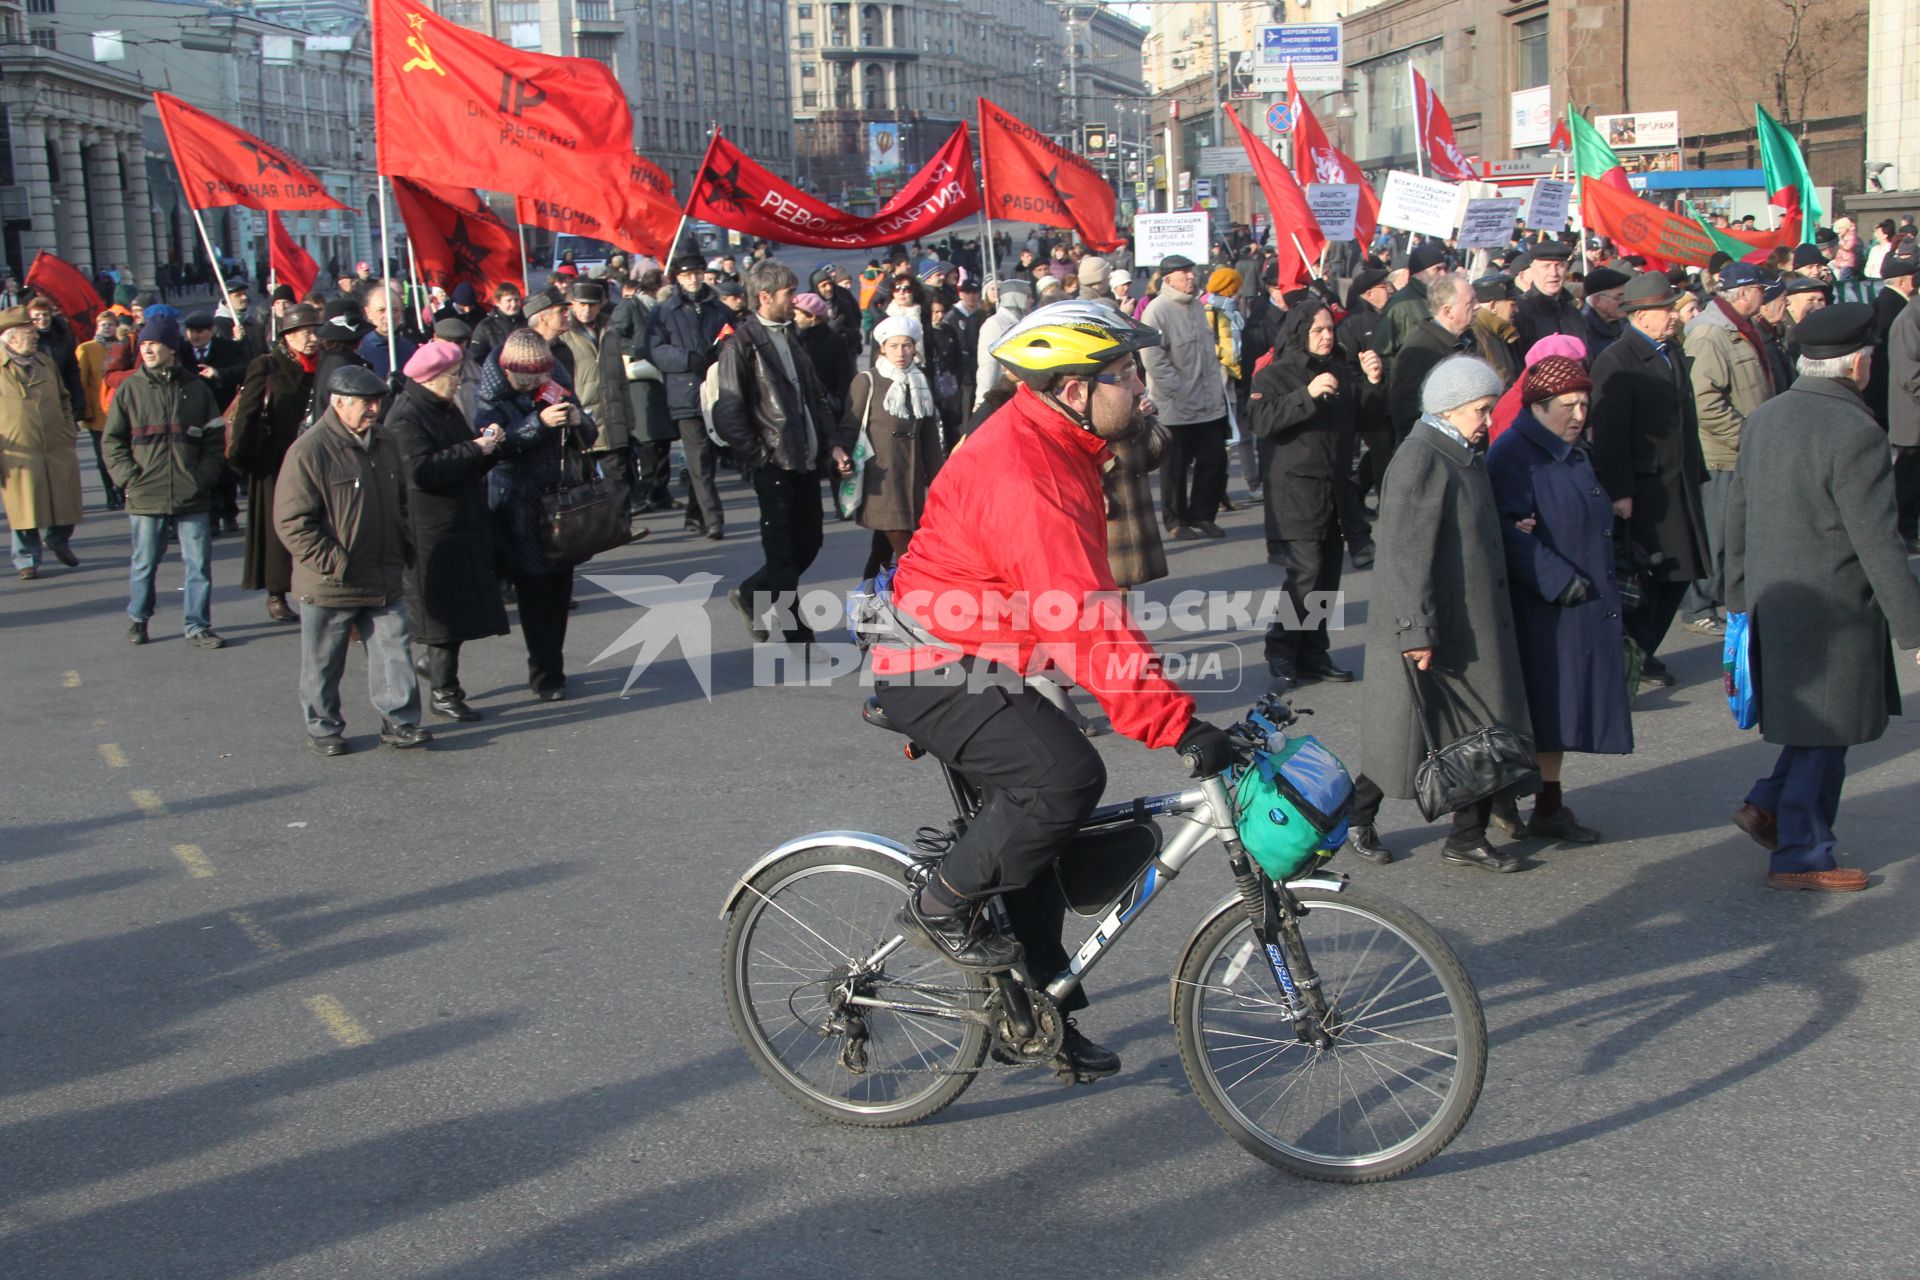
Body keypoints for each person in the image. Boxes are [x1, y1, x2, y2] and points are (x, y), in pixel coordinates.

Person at [869, 303, 1231, 1082]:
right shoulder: (1027, 471)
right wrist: (1175, 725)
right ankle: (938, 908)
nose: (1142, 390)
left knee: (1041, 837)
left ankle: (1034, 1017)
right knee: (1064, 777)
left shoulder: (1060, 440)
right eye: (1126, 377)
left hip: (987, 647)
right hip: (932, 664)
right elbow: (1081, 616)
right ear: (1072, 387)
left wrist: (1159, 703)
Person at [1724, 303, 1920, 891]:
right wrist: (1914, 627)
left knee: (1817, 726)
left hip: (1774, 597)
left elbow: (1739, 512)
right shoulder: (1856, 430)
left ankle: (1768, 803)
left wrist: (1737, 594)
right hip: (1834, 608)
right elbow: (1878, 543)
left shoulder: (1766, 416)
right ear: (1859, 363)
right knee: (1829, 730)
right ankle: (1802, 855)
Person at [1343, 356, 1535, 873]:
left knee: (1475, 732)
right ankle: (1353, 818)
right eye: (1480, 410)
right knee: (1406, 735)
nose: (1488, 421)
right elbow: (1405, 554)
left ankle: (1466, 836)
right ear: (1449, 408)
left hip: (1463, 619)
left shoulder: (1457, 450)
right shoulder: (1420, 459)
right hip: (1432, 624)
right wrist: (1417, 632)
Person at [1487, 357, 1633, 844]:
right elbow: (1505, 533)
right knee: (1540, 710)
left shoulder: (1572, 449)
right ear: (1537, 406)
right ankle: (1503, 803)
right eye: (1566, 406)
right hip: (1545, 607)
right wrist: (1557, 580)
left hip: (1581, 601)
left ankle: (1548, 805)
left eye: (1583, 405)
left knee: (1561, 711)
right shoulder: (1513, 453)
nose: (1577, 415)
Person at [274, 364, 430, 755]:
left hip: (384, 573)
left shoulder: (386, 442)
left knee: (394, 652)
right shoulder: (309, 450)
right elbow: (292, 522)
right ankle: (324, 727)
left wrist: (403, 542)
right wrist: (335, 563)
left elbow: (400, 501)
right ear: (338, 403)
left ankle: (400, 721)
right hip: (331, 582)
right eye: (365, 403)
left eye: (377, 402)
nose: (374, 410)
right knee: (324, 663)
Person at [1250, 302, 1383, 690]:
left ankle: (1313, 651)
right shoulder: (1274, 375)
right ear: (1300, 333)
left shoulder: (1341, 371)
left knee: (1326, 577)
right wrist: (1305, 395)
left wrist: (1374, 383)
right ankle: (1281, 648)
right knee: (1305, 573)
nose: (1327, 336)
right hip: (1295, 491)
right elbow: (1261, 421)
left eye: (1330, 329)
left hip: (1335, 492)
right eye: (1318, 330)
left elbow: (1368, 421)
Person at [1589, 271, 1711, 688]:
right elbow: (1609, 434)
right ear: (1640, 317)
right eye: (1665, 309)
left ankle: (1642, 652)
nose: (1674, 315)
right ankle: (1632, 655)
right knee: (1650, 576)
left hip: (1678, 484)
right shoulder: (1617, 360)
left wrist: (1697, 471)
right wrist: (1620, 490)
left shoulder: (1669, 351)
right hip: (1645, 491)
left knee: (1680, 572)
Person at [711, 260, 836, 642]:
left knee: (810, 541)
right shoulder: (742, 343)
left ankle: (751, 593)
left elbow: (814, 396)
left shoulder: (789, 336)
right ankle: (799, 637)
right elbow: (728, 411)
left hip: (805, 458)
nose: (794, 300)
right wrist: (759, 456)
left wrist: (833, 442)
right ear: (765, 297)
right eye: (788, 294)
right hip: (775, 462)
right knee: (782, 553)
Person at [385, 340, 509, 721]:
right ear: (432, 378)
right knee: (441, 618)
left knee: (455, 613)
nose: (458, 382)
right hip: (430, 530)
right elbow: (420, 472)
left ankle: (439, 674)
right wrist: (475, 450)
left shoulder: (440, 407)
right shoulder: (407, 416)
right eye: (453, 376)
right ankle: (444, 692)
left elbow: (459, 457)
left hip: (458, 522)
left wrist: (489, 448)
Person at [102, 313, 227, 648]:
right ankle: (138, 618)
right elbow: (112, 441)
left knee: (198, 566)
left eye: (155, 343)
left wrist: (204, 477)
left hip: (192, 491)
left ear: (172, 347)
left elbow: (216, 440)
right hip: (146, 493)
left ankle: (197, 625)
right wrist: (129, 477)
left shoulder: (196, 389)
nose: (148, 349)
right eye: (144, 344)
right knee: (144, 563)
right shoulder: (130, 389)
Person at [479, 329, 584, 701]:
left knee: (560, 590)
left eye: (544, 374)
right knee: (536, 594)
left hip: (560, 504)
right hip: (517, 507)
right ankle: (546, 673)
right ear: (512, 372)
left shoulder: (556, 383)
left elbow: (589, 431)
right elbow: (496, 448)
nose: (540, 382)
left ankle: (552, 661)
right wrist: (539, 424)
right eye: (532, 377)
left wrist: (576, 420)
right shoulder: (490, 398)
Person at [1679, 262, 1776, 636]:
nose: (1765, 296)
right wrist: (1745, 437)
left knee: (1736, 534)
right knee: (1716, 535)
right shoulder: (1711, 333)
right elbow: (1705, 402)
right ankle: (1699, 606)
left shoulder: (1740, 328)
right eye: (1760, 289)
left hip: (1742, 449)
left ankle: (1727, 597)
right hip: (1722, 454)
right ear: (1745, 291)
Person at [828, 313, 945, 586]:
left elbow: (929, 440)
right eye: (893, 346)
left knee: (881, 551)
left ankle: (869, 601)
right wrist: (838, 452)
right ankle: (917, 604)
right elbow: (850, 426)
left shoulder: (920, 382)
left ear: (915, 347)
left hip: (910, 480)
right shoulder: (867, 381)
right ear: (882, 347)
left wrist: (940, 481)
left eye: (906, 345)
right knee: (908, 552)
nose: (901, 352)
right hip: (879, 480)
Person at [227, 303, 323, 623]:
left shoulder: (322, 366)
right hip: (274, 459)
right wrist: (243, 459)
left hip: (314, 456)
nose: (311, 337)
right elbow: (248, 415)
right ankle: (276, 592)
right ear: (287, 336)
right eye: (304, 332)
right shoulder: (266, 366)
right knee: (275, 527)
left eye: (314, 330)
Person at [1141, 254, 1230, 540]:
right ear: (1168, 280)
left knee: (1214, 459)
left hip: (1207, 404)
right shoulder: (1156, 311)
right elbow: (1153, 359)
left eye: (1192, 272)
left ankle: (1203, 515)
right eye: (1184, 274)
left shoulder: (1197, 307)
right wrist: (1178, 391)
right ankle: (1176, 520)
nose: (1192, 277)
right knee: (1174, 469)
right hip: (1174, 406)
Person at [646, 254, 729, 538]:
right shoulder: (665, 311)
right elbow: (656, 350)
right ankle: (713, 518)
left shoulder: (717, 307)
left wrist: (720, 353)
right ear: (677, 279)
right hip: (685, 393)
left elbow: (732, 337)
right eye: (686, 275)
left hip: (716, 390)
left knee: (707, 459)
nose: (693, 279)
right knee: (700, 458)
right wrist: (687, 358)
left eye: (697, 273)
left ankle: (695, 514)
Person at [1, 304, 84, 580]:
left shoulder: (44, 360)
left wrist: (67, 426)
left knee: (64, 496)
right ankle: (27, 558)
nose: (35, 335)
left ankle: (59, 539)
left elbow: (63, 396)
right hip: (18, 449)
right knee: (23, 506)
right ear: (11, 337)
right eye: (28, 331)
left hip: (56, 441)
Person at [557, 280, 641, 524]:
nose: (587, 310)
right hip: (582, 418)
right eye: (582, 305)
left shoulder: (609, 331)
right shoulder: (564, 336)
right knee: (584, 480)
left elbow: (621, 379)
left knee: (619, 475)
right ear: (572, 304)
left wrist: (629, 417)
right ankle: (596, 527)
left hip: (612, 414)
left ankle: (622, 525)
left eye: (592, 305)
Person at [1387, 271, 1477, 444]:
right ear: (1448, 311)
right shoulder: (1419, 351)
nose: (1478, 305)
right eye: (1470, 302)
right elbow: (1406, 412)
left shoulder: (1467, 340)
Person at [1371, 242, 1448, 368]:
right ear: (1419, 274)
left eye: (1445, 268)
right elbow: (1382, 352)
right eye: (1437, 269)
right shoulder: (1400, 305)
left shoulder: (1444, 299)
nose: (1443, 274)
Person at [77, 310, 122, 510]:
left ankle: (122, 490)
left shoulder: (122, 348)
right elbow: (82, 382)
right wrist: (84, 410)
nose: (107, 328)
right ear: (97, 327)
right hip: (98, 414)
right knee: (102, 457)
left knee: (121, 454)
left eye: (111, 324)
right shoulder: (87, 349)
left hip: (120, 411)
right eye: (103, 324)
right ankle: (110, 493)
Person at [792, 292, 853, 422]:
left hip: (830, 408)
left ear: (812, 316)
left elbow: (845, 377)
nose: (795, 319)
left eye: (797, 314)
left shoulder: (835, 341)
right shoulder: (796, 339)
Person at [1514, 241, 1583, 353]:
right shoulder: (1520, 312)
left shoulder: (1574, 312)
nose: (1553, 273)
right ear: (1533, 270)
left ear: (1566, 269)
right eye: (1546, 267)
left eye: (1559, 266)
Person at [972, 279, 1032, 407]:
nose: (1032, 301)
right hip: (1001, 395)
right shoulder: (994, 324)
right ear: (1017, 298)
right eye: (1028, 297)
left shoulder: (1024, 321)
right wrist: (982, 401)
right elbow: (988, 365)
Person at [1469, 274, 1524, 386]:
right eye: (1512, 305)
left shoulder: (1499, 331)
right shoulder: (1476, 336)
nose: (1517, 310)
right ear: (1493, 306)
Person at [1578, 266, 1630, 363]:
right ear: (1597, 301)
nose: (1625, 302)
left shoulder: (1626, 324)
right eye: (1618, 297)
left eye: (1625, 296)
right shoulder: (1581, 331)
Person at [466, 282, 526, 363]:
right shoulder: (485, 326)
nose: (514, 304)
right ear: (498, 302)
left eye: (516, 300)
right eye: (509, 300)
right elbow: (476, 356)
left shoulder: (528, 321)